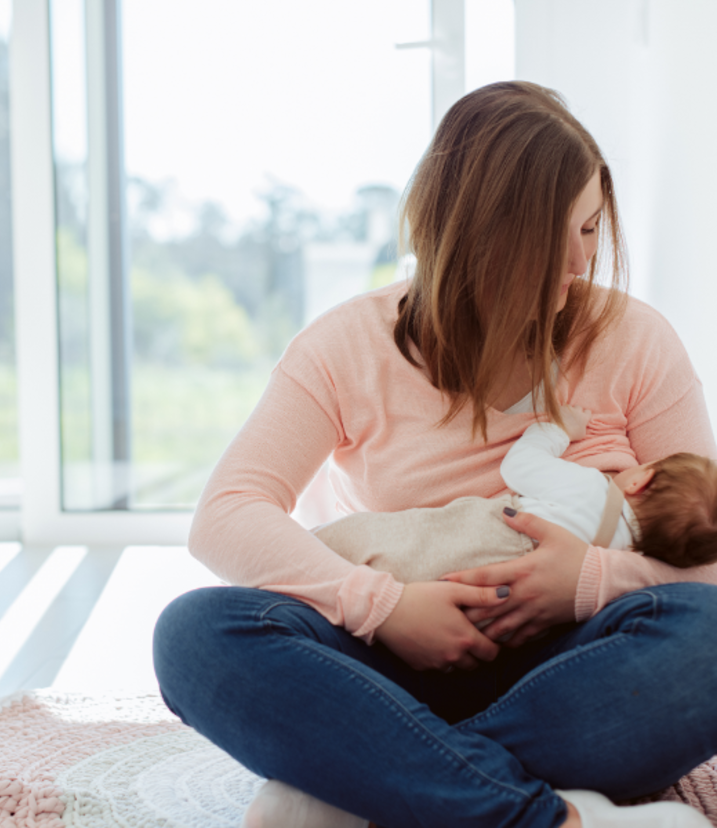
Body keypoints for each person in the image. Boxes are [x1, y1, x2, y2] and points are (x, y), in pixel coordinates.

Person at [152, 81, 717, 828]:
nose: (582, 264)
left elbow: (709, 560)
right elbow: (225, 517)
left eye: (590, 230)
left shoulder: (633, 339)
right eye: (562, 237)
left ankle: (355, 785)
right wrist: (387, 609)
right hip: (385, 666)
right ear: (478, 234)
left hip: (570, 666)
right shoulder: (345, 345)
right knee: (196, 635)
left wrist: (589, 581)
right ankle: (534, 815)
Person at [315, 406, 717, 583]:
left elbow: (519, 467)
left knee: (368, 541)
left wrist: (559, 428)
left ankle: (306, 549)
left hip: (482, 537)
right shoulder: (628, 561)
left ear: (638, 481)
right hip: (491, 604)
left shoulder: (590, 487)